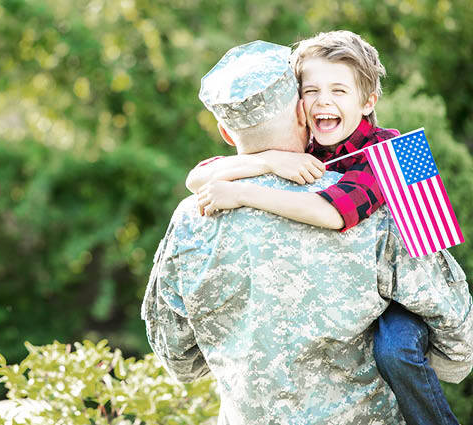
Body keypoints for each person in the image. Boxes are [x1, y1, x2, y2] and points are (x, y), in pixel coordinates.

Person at [141, 39, 473, 424]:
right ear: (301, 110)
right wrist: (271, 162)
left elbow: (178, 358)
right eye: (311, 92)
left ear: (226, 133)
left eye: (338, 91)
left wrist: (248, 185)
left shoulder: (191, 220)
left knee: (397, 346)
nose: (322, 102)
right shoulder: (372, 212)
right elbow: (455, 326)